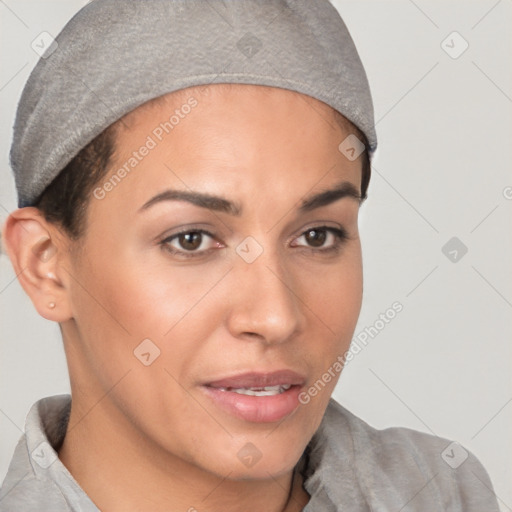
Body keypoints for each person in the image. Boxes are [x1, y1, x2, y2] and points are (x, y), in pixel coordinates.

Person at [0, 1, 501, 511]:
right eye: (191, 240)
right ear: (46, 265)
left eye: (317, 235)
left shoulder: (444, 494)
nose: (275, 317)